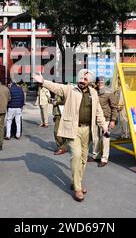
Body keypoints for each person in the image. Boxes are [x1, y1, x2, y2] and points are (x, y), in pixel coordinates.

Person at [33, 69, 108, 202]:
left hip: (88, 130)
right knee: (77, 155)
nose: (81, 81)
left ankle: (76, 181)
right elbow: (57, 87)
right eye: (80, 78)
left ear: (89, 81)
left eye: (85, 79)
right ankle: (78, 188)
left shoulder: (93, 93)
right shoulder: (70, 90)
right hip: (73, 130)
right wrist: (43, 82)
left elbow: (98, 112)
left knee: (84, 158)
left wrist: (104, 127)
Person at [89, 76, 118, 167]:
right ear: (96, 82)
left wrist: (113, 120)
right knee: (96, 138)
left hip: (106, 119)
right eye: (99, 82)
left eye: (102, 81)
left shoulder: (109, 92)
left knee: (105, 139)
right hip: (95, 118)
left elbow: (114, 107)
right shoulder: (94, 91)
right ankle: (96, 156)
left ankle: (104, 159)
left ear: (104, 82)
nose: (100, 83)